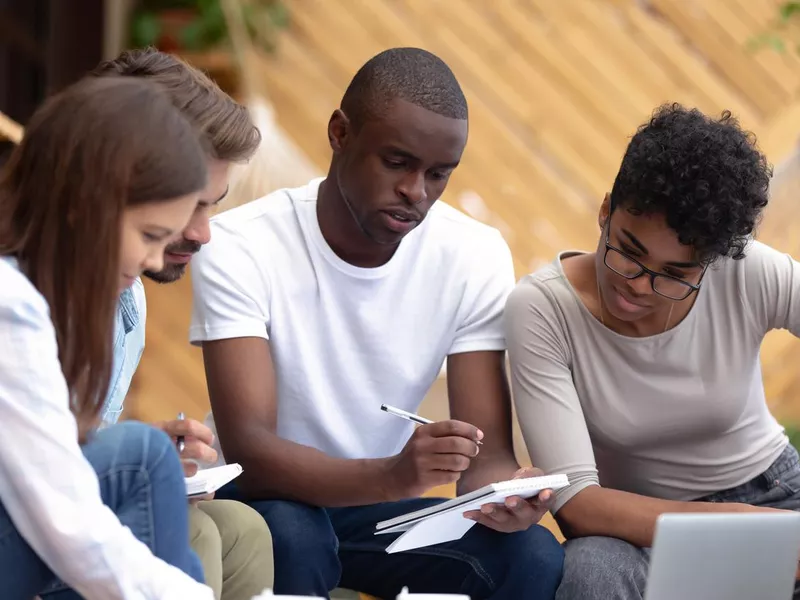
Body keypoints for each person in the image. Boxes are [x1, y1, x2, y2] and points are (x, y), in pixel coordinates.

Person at [190, 47, 564, 599]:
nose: (417, 192)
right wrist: (394, 475)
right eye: (397, 162)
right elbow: (251, 451)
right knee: (294, 535)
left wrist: (508, 496)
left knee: (529, 555)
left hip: (374, 514)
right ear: (340, 133)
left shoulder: (473, 255)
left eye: (439, 174)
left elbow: (484, 462)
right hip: (267, 503)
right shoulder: (240, 245)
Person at [504, 103, 800, 600]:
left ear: (709, 264)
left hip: (776, 495)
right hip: (638, 528)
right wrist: (742, 530)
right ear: (605, 212)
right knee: (591, 575)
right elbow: (577, 503)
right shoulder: (542, 310)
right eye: (628, 253)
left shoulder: (745, 272)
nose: (638, 288)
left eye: (675, 275)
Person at [0, 76, 214, 598]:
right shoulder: (10, 302)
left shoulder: (47, 291)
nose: (154, 262)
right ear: (83, 204)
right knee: (141, 458)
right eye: (149, 236)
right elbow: (66, 519)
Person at [76, 47, 275, 600]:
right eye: (191, 205)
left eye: (213, 206)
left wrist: (146, 451)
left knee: (245, 532)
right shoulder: (24, 293)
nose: (204, 233)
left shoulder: (129, 301)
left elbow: (77, 439)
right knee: (193, 537)